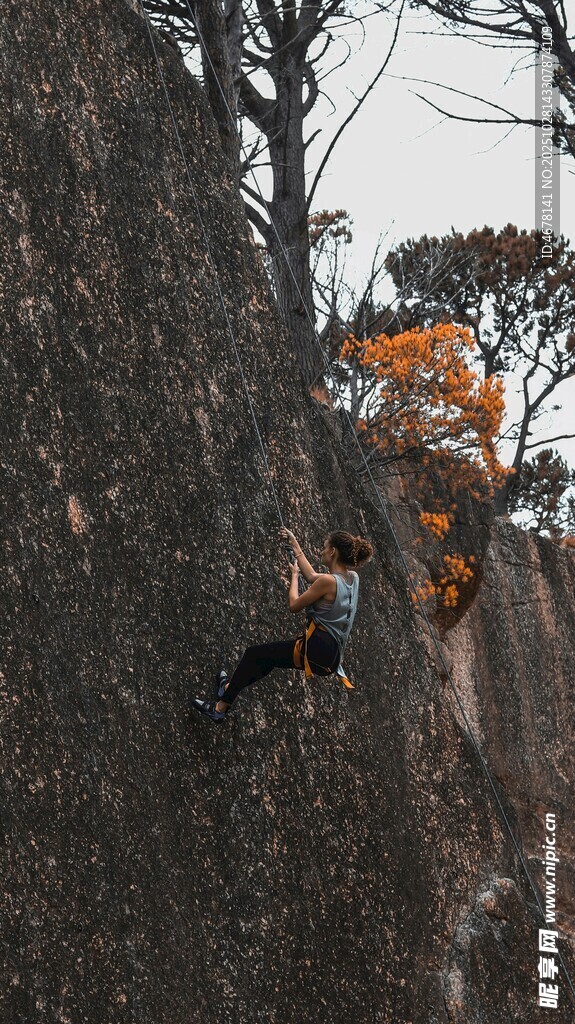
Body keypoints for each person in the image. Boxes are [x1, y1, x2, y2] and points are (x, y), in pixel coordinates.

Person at [192, 528, 374, 723]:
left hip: (316, 650)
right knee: (265, 659)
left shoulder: (329, 582)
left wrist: (294, 577)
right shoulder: (352, 578)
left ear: (333, 552)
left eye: (324, 547)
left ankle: (219, 708)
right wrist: (294, 543)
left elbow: (294, 605)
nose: (321, 551)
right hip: (331, 655)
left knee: (254, 655)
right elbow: (312, 576)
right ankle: (229, 689)